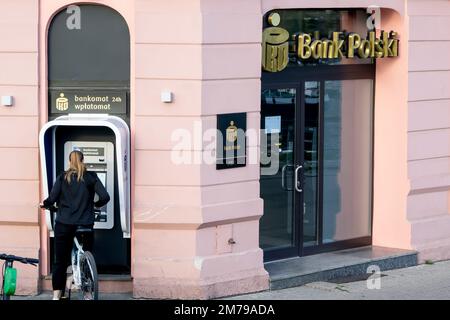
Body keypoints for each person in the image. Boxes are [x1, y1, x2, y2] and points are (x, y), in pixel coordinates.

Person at [41, 150, 110, 300]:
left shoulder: (62, 177)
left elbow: (51, 199)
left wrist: (46, 204)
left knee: (59, 261)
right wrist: (96, 205)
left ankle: (56, 295)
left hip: (64, 223)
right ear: (83, 160)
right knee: (86, 256)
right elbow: (105, 197)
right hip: (85, 223)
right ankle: (87, 293)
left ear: (69, 162)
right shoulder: (91, 176)